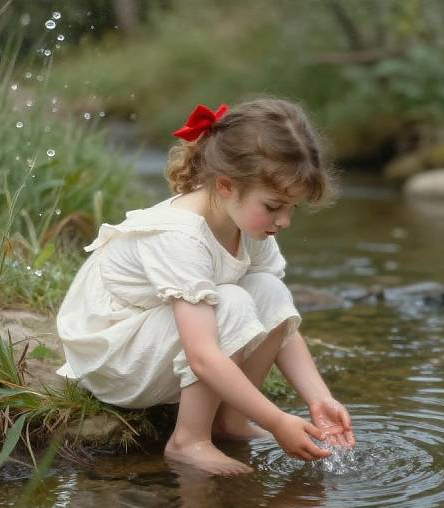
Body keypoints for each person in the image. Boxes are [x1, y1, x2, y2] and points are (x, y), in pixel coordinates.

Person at [56, 97, 355, 476]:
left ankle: (228, 420)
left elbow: (280, 321)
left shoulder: (249, 226)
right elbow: (202, 356)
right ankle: (188, 440)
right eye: (275, 205)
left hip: (158, 342)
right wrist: (279, 421)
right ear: (227, 185)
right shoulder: (180, 234)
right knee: (230, 302)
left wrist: (319, 398)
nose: (284, 221)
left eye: (291, 208)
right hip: (115, 358)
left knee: (270, 291)